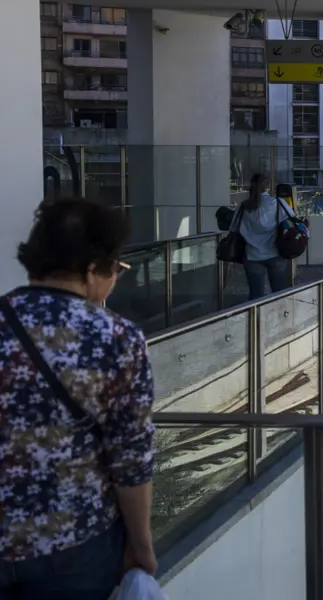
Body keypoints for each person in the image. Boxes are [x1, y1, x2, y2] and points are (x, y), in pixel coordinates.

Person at [0, 198, 156, 598]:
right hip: (75, 547)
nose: (115, 278)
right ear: (91, 271)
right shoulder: (118, 339)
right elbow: (130, 462)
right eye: (116, 269)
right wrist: (141, 546)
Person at [238, 174, 291, 301]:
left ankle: (255, 319)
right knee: (279, 293)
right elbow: (291, 222)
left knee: (255, 295)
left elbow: (234, 228)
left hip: (252, 255)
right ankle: (279, 317)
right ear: (268, 186)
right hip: (275, 253)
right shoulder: (278, 203)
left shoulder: (244, 206)